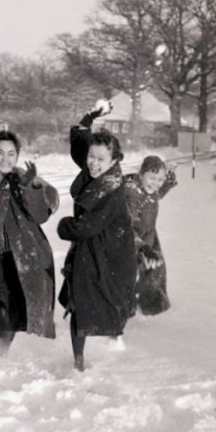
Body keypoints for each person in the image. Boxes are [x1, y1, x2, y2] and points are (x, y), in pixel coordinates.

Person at [57, 106, 137, 372]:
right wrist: (89, 118)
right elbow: (80, 145)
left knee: (103, 302)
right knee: (79, 302)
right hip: (92, 248)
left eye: (101, 159)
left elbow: (85, 228)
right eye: (92, 157)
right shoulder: (94, 167)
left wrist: (64, 226)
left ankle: (114, 348)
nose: (94, 163)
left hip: (109, 251)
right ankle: (78, 360)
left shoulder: (112, 188)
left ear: (114, 161)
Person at [0, 131, 59, 356]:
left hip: (17, 257)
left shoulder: (26, 179)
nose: (5, 159)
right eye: (0, 153)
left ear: (18, 155)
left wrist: (29, 188)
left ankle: (3, 353)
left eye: (11, 153)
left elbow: (42, 215)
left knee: (9, 307)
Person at [123, 156, 178, 316]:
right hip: (131, 240)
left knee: (156, 269)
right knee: (130, 273)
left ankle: (153, 305)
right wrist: (141, 247)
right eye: (152, 178)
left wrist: (168, 180)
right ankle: (126, 309)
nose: (156, 183)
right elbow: (126, 226)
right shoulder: (131, 194)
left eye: (160, 179)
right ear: (141, 174)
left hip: (149, 236)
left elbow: (158, 192)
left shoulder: (150, 189)